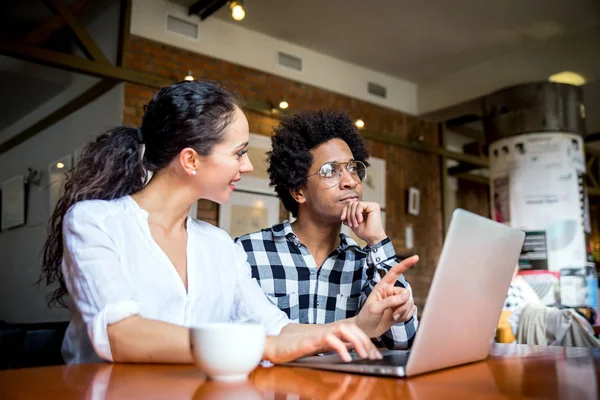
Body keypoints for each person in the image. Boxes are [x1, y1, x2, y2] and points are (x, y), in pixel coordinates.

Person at [39, 81, 418, 365]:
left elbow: (274, 327)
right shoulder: (95, 222)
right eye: (238, 153)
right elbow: (122, 335)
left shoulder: (218, 244)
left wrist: (362, 324)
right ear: (191, 160)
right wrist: (262, 346)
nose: (249, 166)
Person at [236, 110, 418, 349]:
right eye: (330, 171)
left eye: (353, 168)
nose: (350, 181)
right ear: (298, 191)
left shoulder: (366, 262)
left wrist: (377, 241)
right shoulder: (248, 253)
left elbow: (403, 341)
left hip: (344, 387)